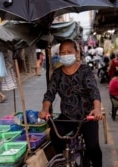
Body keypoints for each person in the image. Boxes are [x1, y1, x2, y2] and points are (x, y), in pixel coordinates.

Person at [38, 39, 103, 167]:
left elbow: (94, 92)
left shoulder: (85, 71)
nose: (66, 54)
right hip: (67, 117)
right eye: (63, 52)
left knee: (92, 146)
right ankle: (66, 160)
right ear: (59, 55)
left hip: (87, 117)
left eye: (69, 51)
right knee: (54, 135)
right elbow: (49, 94)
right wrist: (45, 109)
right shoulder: (57, 74)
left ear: (76, 52)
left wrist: (97, 109)